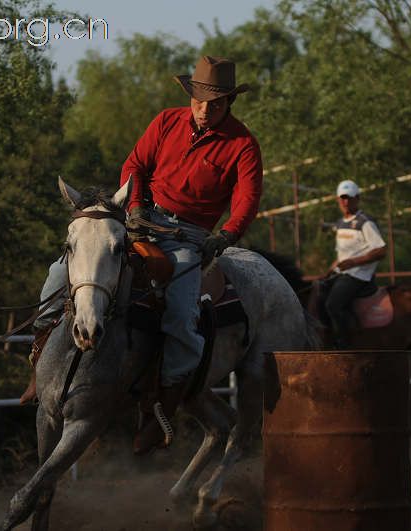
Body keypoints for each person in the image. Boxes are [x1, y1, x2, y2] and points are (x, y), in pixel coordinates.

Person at [20, 56, 264, 455]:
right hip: (141, 219)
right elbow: (135, 164)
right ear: (192, 96)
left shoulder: (242, 145)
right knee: (56, 276)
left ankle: (159, 410)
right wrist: (133, 205)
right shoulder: (166, 121)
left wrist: (227, 235)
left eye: (215, 103)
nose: (205, 109)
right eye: (200, 100)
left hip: (190, 237)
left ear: (229, 104)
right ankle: (39, 370)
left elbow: (247, 198)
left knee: (183, 316)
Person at [323, 180, 387, 348]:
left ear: (357, 199)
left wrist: (353, 262)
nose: (345, 202)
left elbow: (381, 250)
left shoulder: (365, 222)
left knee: (333, 304)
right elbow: (342, 255)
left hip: (359, 275)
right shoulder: (339, 224)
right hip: (344, 272)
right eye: (342, 198)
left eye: (349, 198)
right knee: (319, 292)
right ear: (337, 200)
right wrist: (328, 272)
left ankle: (345, 345)